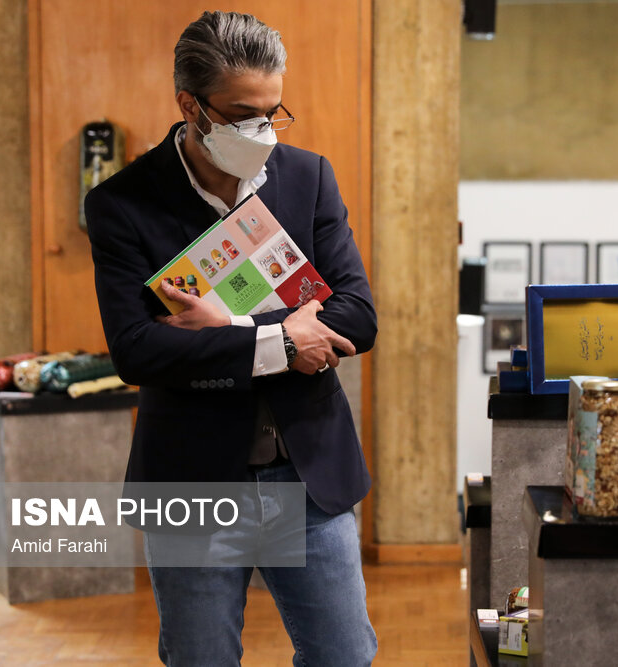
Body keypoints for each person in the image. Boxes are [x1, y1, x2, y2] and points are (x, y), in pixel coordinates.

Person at [85, 11, 377, 666]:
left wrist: (230, 329)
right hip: (193, 481)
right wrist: (283, 341)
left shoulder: (308, 177)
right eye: (244, 115)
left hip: (307, 473)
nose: (263, 131)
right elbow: (138, 350)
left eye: (274, 113)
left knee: (345, 656)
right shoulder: (122, 204)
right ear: (190, 105)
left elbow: (357, 317)